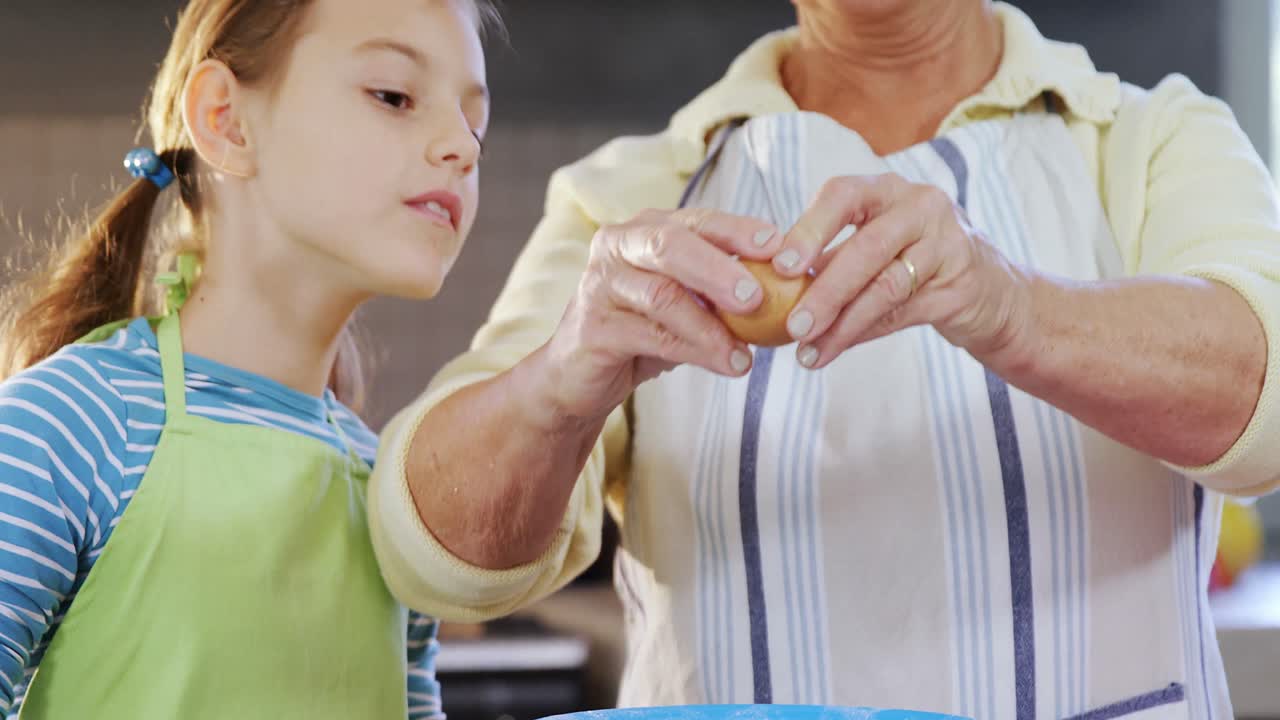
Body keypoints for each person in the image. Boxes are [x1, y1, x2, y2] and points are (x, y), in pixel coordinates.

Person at [367, 1, 1280, 718]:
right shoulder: (630, 195)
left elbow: (1266, 399)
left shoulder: (1148, 139)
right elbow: (436, 554)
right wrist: (560, 376)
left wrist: (1012, 307)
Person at [0, 0, 496, 716]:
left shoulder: (396, 496)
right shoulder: (70, 428)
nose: (463, 146)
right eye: (394, 95)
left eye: (476, 123)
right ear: (226, 121)